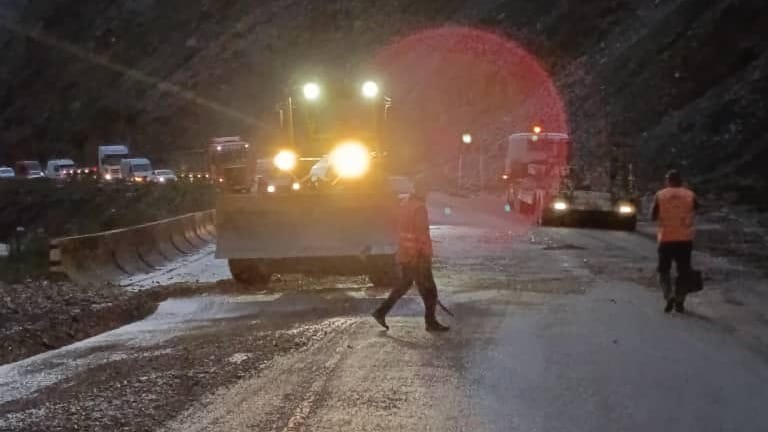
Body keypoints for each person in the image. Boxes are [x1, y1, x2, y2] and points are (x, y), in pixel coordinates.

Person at [372, 177, 450, 332]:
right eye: (426, 189)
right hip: (417, 256)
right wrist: (422, 254)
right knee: (429, 290)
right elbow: (421, 235)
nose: (427, 192)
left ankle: (380, 312)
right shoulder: (419, 208)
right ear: (423, 190)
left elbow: (399, 228)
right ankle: (430, 322)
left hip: (406, 253)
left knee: (404, 285)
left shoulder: (406, 204)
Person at [652, 169, 698, 313]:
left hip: (666, 238)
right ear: (681, 181)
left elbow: (652, 216)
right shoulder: (690, 194)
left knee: (663, 271)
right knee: (683, 271)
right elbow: (696, 208)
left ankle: (669, 295)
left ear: (668, 181)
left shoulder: (660, 195)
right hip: (685, 240)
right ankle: (680, 300)